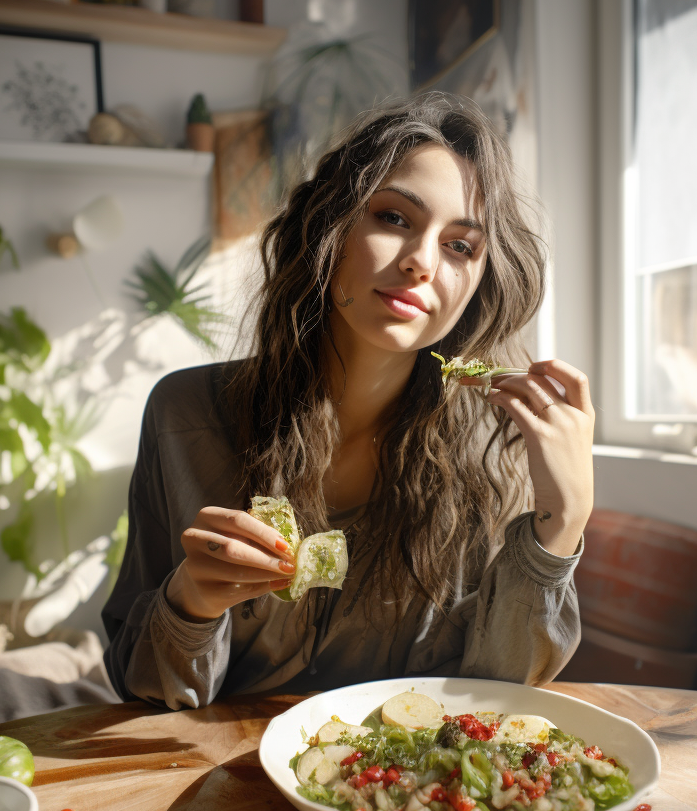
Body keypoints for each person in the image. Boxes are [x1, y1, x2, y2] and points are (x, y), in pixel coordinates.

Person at [102, 93, 595, 709]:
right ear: (328, 229)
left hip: (399, 786)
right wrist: (190, 605)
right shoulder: (184, 415)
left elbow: (493, 698)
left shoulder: (497, 446)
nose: (421, 263)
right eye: (394, 218)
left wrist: (561, 525)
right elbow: (141, 691)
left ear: (479, 283)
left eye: (460, 246)